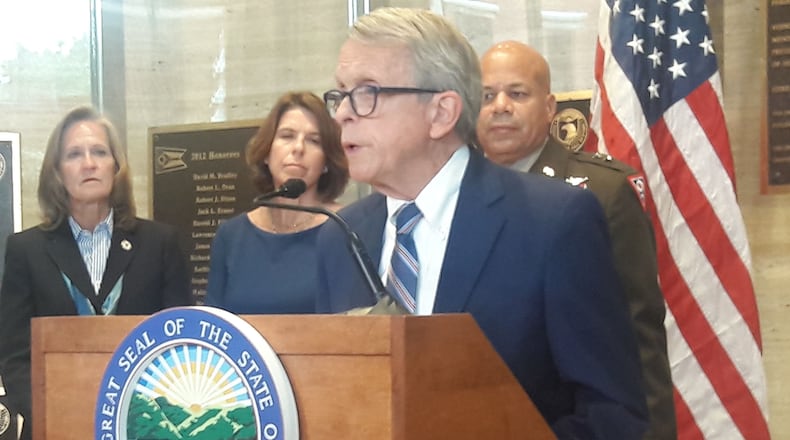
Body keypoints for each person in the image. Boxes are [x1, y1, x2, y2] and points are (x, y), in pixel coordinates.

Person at [316, 7, 647, 439]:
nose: (342, 114)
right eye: (341, 94)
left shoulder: (553, 223)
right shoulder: (340, 236)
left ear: (441, 112)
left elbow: (612, 415)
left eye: (367, 92)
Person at [476, 40, 676, 440]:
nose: (500, 106)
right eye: (486, 96)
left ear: (549, 107)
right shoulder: (455, 197)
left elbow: (638, 340)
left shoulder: (602, 191)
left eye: (517, 94)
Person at [0, 106, 193, 440]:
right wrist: (54, 413)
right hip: (53, 427)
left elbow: (180, 345)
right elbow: (15, 354)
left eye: (100, 152)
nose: (89, 163)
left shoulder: (160, 243)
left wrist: (148, 419)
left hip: (143, 426)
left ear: (116, 166)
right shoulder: (26, 250)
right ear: (57, 171)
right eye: (74, 154)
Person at [205, 91, 349, 314]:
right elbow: (214, 323)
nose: (298, 148)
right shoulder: (232, 235)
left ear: (326, 162)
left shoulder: (345, 228)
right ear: (266, 152)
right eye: (287, 136)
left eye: (314, 140)